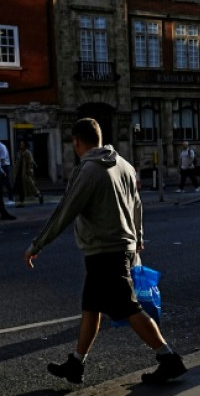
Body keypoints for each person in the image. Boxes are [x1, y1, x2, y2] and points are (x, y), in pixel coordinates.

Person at [23, 118, 186, 385]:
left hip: (105, 250)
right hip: (121, 246)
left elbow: (65, 210)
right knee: (91, 306)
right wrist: (139, 238)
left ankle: (169, 359)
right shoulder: (124, 165)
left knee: (129, 308)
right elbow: (137, 204)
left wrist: (36, 244)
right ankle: (76, 363)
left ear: (76, 141)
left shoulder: (87, 169)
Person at [13, 140, 43, 206]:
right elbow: (17, 163)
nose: (21, 145)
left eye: (22, 144)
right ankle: (22, 202)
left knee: (31, 186)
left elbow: (30, 162)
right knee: (20, 188)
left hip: (25, 173)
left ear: (25, 145)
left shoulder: (28, 153)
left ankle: (39, 195)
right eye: (20, 144)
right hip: (19, 173)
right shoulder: (19, 153)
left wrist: (29, 171)